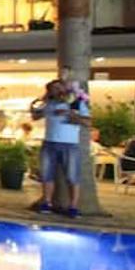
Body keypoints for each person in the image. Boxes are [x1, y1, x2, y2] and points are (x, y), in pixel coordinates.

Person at [31, 79, 91, 217]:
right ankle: (47, 202)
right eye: (53, 89)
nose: (56, 91)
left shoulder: (75, 103)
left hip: (70, 144)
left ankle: (73, 206)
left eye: (58, 88)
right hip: (49, 142)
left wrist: (70, 114)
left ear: (65, 89)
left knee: (72, 175)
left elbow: (87, 122)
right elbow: (35, 116)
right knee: (47, 174)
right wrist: (37, 104)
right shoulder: (49, 104)